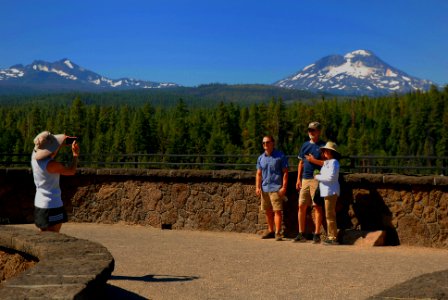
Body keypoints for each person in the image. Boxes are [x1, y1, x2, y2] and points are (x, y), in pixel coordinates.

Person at [31, 131, 80, 233]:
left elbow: (49, 153)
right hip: (53, 205)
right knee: (54, 238)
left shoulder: (34, 157)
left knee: (42, 237)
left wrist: (60, 143)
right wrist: (75, 155)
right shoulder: (52, 165)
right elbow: (71, 171)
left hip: (40, 204)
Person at [294, 122, 325, 243]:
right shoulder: (305, 145)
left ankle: (317, 234)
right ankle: (301, 233)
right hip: (305, 179)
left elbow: (327, 163)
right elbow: (301, 163)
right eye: (309, 130)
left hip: (317, 179)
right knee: (301, 206)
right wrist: (298, 179)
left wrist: (313, 160)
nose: (311, 132)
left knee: (317, 206)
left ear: (318, 131)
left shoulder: (323, 146)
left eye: (313, 130)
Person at [256, 135, 289, 241]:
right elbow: (259, 174)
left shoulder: (280, 156)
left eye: (267, 142)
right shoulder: (261, 158)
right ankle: (270, 230)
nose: (265, 144)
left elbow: (285, 172)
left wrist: (284, 187)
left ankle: (278, 232)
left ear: (272, 143)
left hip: (276, 188)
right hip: (264, 188)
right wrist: (257, 187)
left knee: (277, 211)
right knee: (268, 211)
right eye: (263, 143)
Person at [314, 141, 341, 245]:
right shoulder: (328, 162)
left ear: (330, 152)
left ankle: (333, 237)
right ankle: (331, 236)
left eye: (326, 150)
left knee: (330, 215)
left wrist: (317, 177)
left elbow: (331, 177)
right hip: (328, 191)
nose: (324, 152)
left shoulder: (334, 162)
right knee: (329, 214)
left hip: (331, 191)